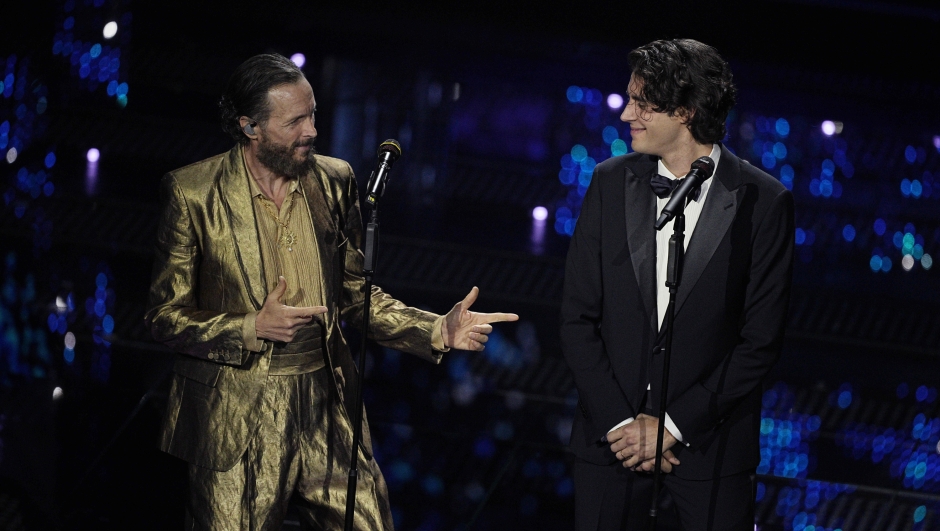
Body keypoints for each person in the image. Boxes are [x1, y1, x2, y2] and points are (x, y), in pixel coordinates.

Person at [145, 53, 518, 530]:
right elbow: (164, 317)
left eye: (313, 114)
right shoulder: (191, 193)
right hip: (238, 411)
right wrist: (249, 326)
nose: (312, 131)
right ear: (250, 127)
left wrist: (434, 329)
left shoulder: (334, 179)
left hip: (324, 401)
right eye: (295, 120)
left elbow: (355, 295)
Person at [561, 39, 794, 530]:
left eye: (642, 103)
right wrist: (624, 427)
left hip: (710, 449)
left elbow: (760, 341)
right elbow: (576, 318)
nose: (627, 114)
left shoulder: (764, 202)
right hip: (611, 444)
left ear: (685, 110)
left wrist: (670, 426)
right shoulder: (607, 182)